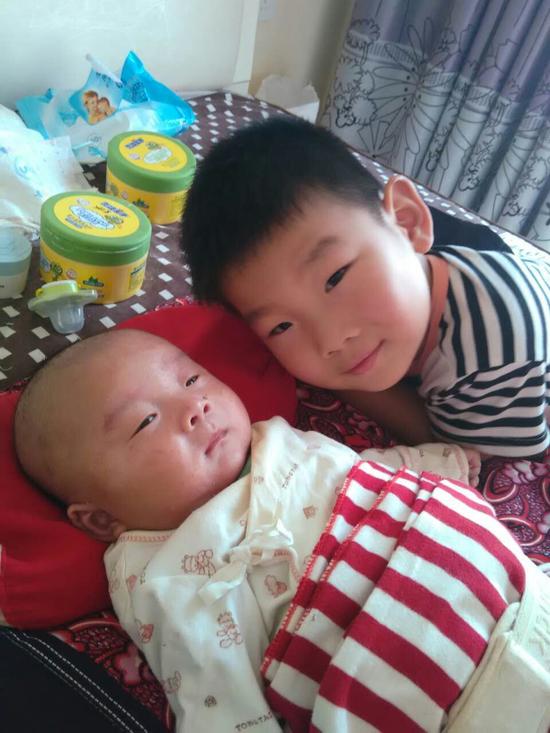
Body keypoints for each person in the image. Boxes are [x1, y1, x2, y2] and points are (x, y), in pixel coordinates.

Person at [13, 329, 550, 733]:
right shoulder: (163, 569)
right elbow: (212, 685)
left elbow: (352, 471)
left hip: (516, 586)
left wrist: (431, 463)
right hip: (443, 692)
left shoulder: (274, 437)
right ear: (101, 519)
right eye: (144, 422)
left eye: (192, 378)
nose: (195, 406)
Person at [181, 116, 550, 459]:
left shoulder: (493, 361)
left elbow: (453, 450)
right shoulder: (407, 276)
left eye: (335, 277)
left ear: (406, 222)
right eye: (281, 326)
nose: (330, 340)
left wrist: (346, 384)